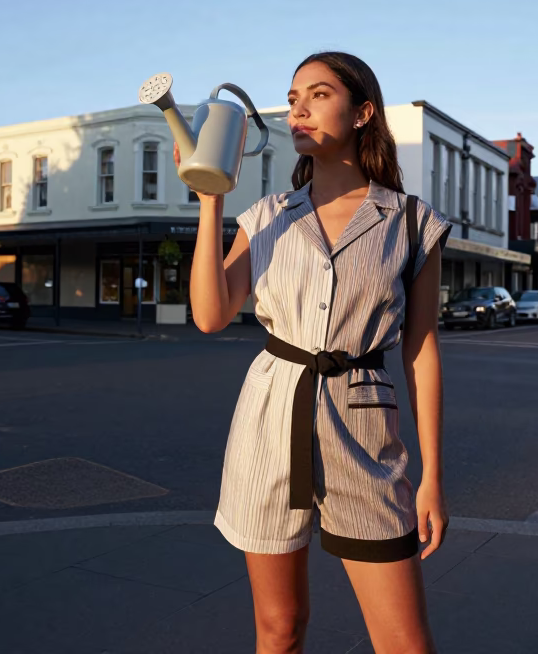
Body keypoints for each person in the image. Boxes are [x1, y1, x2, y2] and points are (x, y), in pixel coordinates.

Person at [184, 51, 450, 654]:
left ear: (363, 113)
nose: (298, 109)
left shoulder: (410, 222)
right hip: (269, 419)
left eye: (319, 94)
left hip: (364, 430)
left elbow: (421, 349)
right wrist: (210, 199)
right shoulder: (267, 216)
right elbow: (209, 315)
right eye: (292, 97)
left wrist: (432, 475)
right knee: (280, 628)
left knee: (405, 643)